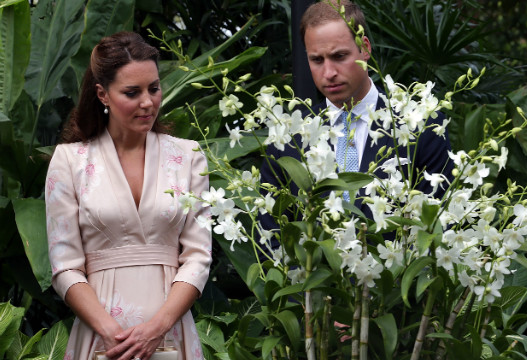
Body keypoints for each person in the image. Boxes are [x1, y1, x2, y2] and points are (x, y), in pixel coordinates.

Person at [45, 31, 211, 360]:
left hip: (171, 333)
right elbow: (65, 267)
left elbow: (198, 256)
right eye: (132, 92)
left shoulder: (189, 156)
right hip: (101, 338)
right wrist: (111, 332)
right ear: (102, 94)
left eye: (154, 88)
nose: (148, 102)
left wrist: (157, 327)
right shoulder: (69, 161)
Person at [259, 0, 453, 230]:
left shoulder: (421, 126)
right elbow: (271, 236)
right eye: (317, 60)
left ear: (365, 48)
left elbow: (439, 225)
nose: (329, 73)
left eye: (339, 56)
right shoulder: (289, 138)